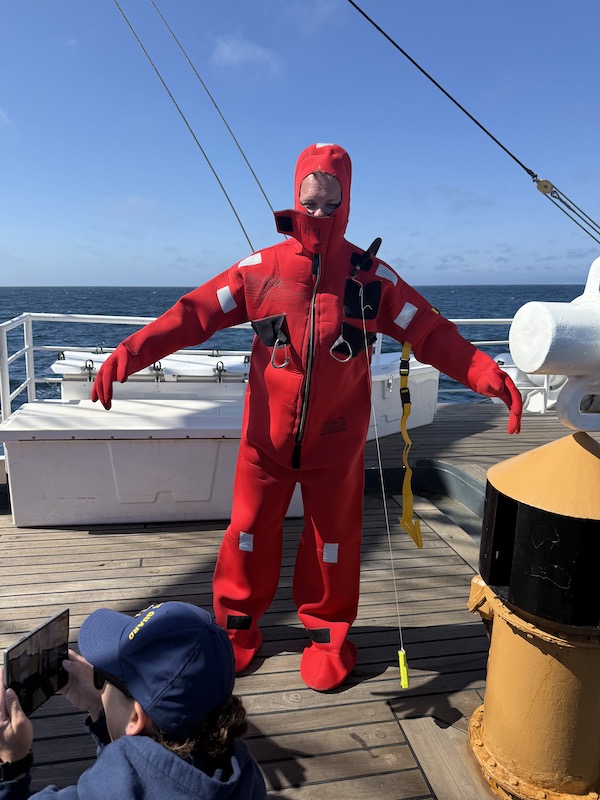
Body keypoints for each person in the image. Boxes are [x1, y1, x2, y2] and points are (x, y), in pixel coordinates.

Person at [90, 143, 522, 692]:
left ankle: (327, 636)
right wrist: (126, 355)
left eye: (330, 203)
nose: (319, 214)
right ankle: (236, 628)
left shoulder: (375, 281)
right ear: (296, 198)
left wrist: (486, 374)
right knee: (248, 535)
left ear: (347, 203)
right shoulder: (258, 271)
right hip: (264, 446)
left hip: (335, 448)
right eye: (310, 202)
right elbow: (193, 316)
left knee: (332, 545)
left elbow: (430, 332)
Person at [0, 602, 266, 799]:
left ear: (135, 717)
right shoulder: (243, 772)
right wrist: (100, 709)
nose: (100, 685)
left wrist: (12, 763)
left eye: (104, 678)